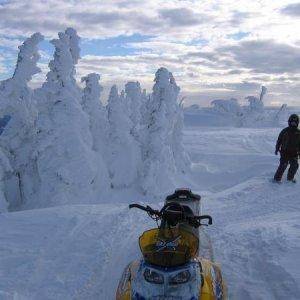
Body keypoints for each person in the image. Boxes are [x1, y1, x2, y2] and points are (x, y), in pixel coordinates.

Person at [274, 114, 300, 183]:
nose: (293, 124)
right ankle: (277, 179)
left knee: (295, 165)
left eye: (295, 122)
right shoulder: (285, 131)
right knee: (283, 165)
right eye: (292, 122)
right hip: (284, 152)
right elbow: (279, 140)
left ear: (297, 123)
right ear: (289, 122)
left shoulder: (298, 133)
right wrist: (277, 149)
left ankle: (290, 178)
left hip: (294, 153)